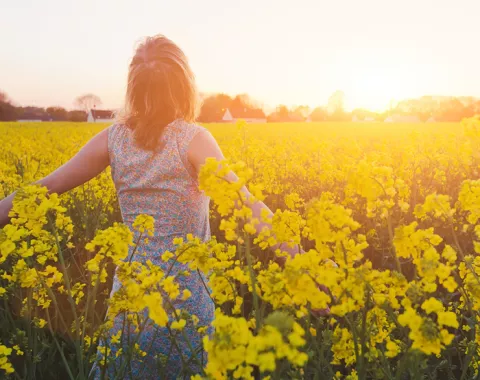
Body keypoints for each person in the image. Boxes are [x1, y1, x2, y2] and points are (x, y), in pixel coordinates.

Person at [0, 35, 302, 379]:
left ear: (133, 86)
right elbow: (247, 205)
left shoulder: (111, 139)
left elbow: (46, 187)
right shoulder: (193, 139)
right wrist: (298, 260)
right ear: (185, 85)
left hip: (132, 289)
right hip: (185, 293)